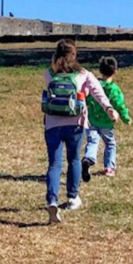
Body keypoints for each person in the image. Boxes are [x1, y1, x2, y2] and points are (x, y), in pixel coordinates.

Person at [42, 39, 119, 224]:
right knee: (74, 159)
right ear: (74, 55)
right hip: (76, 124)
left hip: (52, 124)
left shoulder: (48, 74)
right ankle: (72, 197)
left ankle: (52, 200)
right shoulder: (84, 74)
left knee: (54, 164)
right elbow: (98, 93)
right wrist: (109, 109)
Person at [83, 56, 133, 180]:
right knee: (110, 143)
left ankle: (88, 158)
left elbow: (86, 98)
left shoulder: (93, 85)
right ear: (115, 71)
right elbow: (119, 104)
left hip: (92, 120)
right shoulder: (113, 89)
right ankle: (109, 168)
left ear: (100, 70)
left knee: (92, 141)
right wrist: (126, 117)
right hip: (106, 122)